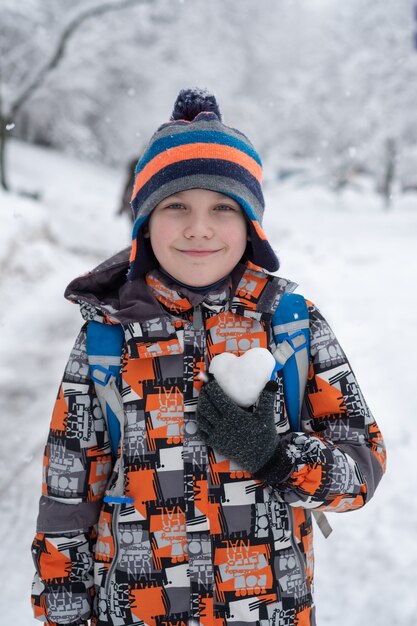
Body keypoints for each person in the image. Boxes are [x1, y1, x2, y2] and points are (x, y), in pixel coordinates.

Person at [31, 88, 386, 626]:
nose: (199, 228)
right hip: (136, 610)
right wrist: (63, 608)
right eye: (176, 206)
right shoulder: (108, 338)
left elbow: (361, 470)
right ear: (145, 224)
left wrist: (276, 455)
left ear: (252, 227)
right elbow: (67, 495)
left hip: (268, 610)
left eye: (223, 207)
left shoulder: (291, 324)